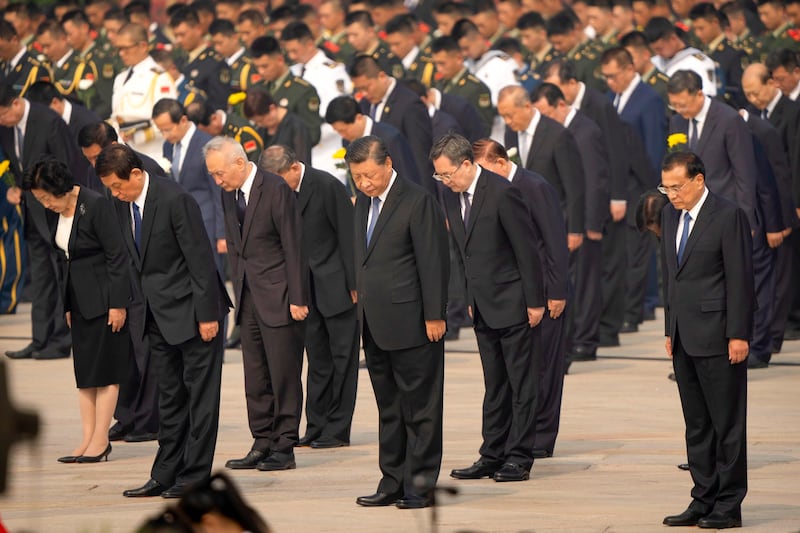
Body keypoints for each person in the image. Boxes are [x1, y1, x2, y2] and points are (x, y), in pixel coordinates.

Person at [96, 144, 230, 499]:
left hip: (194, 313)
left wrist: (206, 316)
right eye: (110, 187)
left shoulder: (174, 199)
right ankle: (165, 473)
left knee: (200, 401)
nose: (115, 193)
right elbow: (126, 259)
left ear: (137, 174)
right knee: (169, 399)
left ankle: (195, 476)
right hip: (155, 316)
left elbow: (200, 260)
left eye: (118, 185)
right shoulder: (121, 204)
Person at [435, 134, 544, 483]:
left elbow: (526, 250)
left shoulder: (502, 191)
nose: (445, 181)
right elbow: (462, 252)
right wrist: (468, 295)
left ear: (467, 164)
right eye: (440, 176)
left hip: (514, 301)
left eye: (448, 174)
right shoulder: (451, 197)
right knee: (495, 384)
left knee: (520, 383)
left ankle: (519, 457)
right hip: (481, 305)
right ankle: (491, 453)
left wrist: (535, 301)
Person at [349, 135, 448, 509]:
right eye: (358, 177)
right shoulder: (363, 202)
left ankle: (420, 485)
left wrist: (435, 313)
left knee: (420, 409)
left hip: (414, 322)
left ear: (388, 163)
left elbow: (433, 260)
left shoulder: (417, 200)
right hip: (375, 324)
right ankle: (392, 480)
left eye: (370, 175)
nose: (365, 183)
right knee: (388, 408)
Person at [660, 151, 753, 530]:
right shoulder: (669, 216)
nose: (671, 195)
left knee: (726, 424)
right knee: (696, 424)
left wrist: (739, 333)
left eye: (677, 187)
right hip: (684, 335)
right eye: (665, 188)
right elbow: (670, 275)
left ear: (699, 180)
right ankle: (702, 497)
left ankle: (729, 504)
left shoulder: (728, 215)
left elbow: (740, 279)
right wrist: (670, 327)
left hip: (719, 336)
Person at [204, 137, 309, 473]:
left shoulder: (275, 189)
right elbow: (236, 246)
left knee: (283, 374)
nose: (218, 181)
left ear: (239, 162)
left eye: (220, 173)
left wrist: (298, 297)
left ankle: (284, 446)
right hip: (248, 296)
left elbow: (294, 245)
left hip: (280, 294)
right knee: (255, 375)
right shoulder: (228, 193)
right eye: (213, 176)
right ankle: (261, 440)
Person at [23, 159, 130, 464]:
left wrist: (118, 303)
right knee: (85, 375)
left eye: (47, 197)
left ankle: (101, 440)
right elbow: (65, 259)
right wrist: (67, 304)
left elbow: (117, 256)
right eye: (40, 200)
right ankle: (87, 438)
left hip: (105, 299)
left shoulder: (95, 205)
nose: (45, 204)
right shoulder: (54, 211)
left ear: (62, 188)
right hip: (78, 301)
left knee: (106, 372)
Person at [471, 138, 569, 458]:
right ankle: (519, 435)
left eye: (486, 170)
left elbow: (553, 241)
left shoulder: (533, 186)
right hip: (515, 292)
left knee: (545, 370)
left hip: (543, 290)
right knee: (520, 371)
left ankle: (542, 437)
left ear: (501, 163)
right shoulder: (488, 191)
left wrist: (556, 292)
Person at [258, 145, 358, 449]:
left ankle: (337, 429)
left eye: (278, 179)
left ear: (292, 168)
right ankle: (315, 426)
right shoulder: (278, 191)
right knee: (317, 362)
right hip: (305, 291)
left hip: (337, 286)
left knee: (343, 360)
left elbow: (348, 234)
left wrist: (355, 284)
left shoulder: (326, 185)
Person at [1, 81, 82, 361]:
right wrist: (14, 186)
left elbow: (66, 164)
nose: (2, 122)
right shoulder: (6, 127)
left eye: (2, 115)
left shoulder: (48, 121)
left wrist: (59, 202)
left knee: (61, 276)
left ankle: (60, 340)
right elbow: (12, 163)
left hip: (55, 208)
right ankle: (39, 339)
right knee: (42, 279)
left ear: (15, 103)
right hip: (30, 211)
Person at [152, 98, 226, 273]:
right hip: (181, 223)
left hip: (207, 221)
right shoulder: (168, 146)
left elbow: (218, 192)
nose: (165, 136)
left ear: (183, 120)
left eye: (168, 129)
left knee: (213, 275)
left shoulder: (206, 144)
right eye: (161, 131)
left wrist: (222, 233)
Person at [110, 23, 176, 164]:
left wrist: (138, 135)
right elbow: (116, 116)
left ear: (143, 46)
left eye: (126, 48)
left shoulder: (159, 78)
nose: (121, 53)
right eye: (119, 49)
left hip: (153, 155)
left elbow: (170, 120)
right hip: (124, 154)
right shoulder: (120, 78)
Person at [243, 87, 312, 165]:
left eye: (261, 120)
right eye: (256, 122)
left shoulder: (296, 126)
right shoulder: (262, 130)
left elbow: (303, 161)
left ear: (272, 108)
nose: (259, 124)